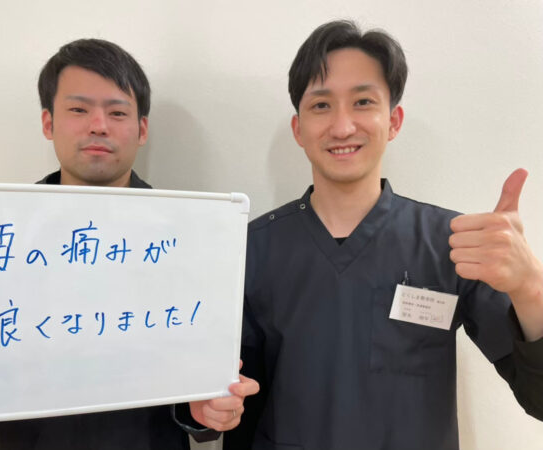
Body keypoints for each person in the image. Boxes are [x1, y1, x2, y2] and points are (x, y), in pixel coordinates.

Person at [224, 20, 543, 450]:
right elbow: (226, 400)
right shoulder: (250, 249)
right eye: (321, 105)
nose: (342, 126)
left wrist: (529, 287)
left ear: (393, 121)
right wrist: (209, 412)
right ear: (298, 129)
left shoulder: (452, 245)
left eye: (362, 102)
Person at [0, 38, 258, 450]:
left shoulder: (189, 236)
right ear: (48, 123)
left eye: (117, 112)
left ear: (142, 129)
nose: (98, 125)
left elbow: (200, 394)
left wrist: (207, 409)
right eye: (78, 110)